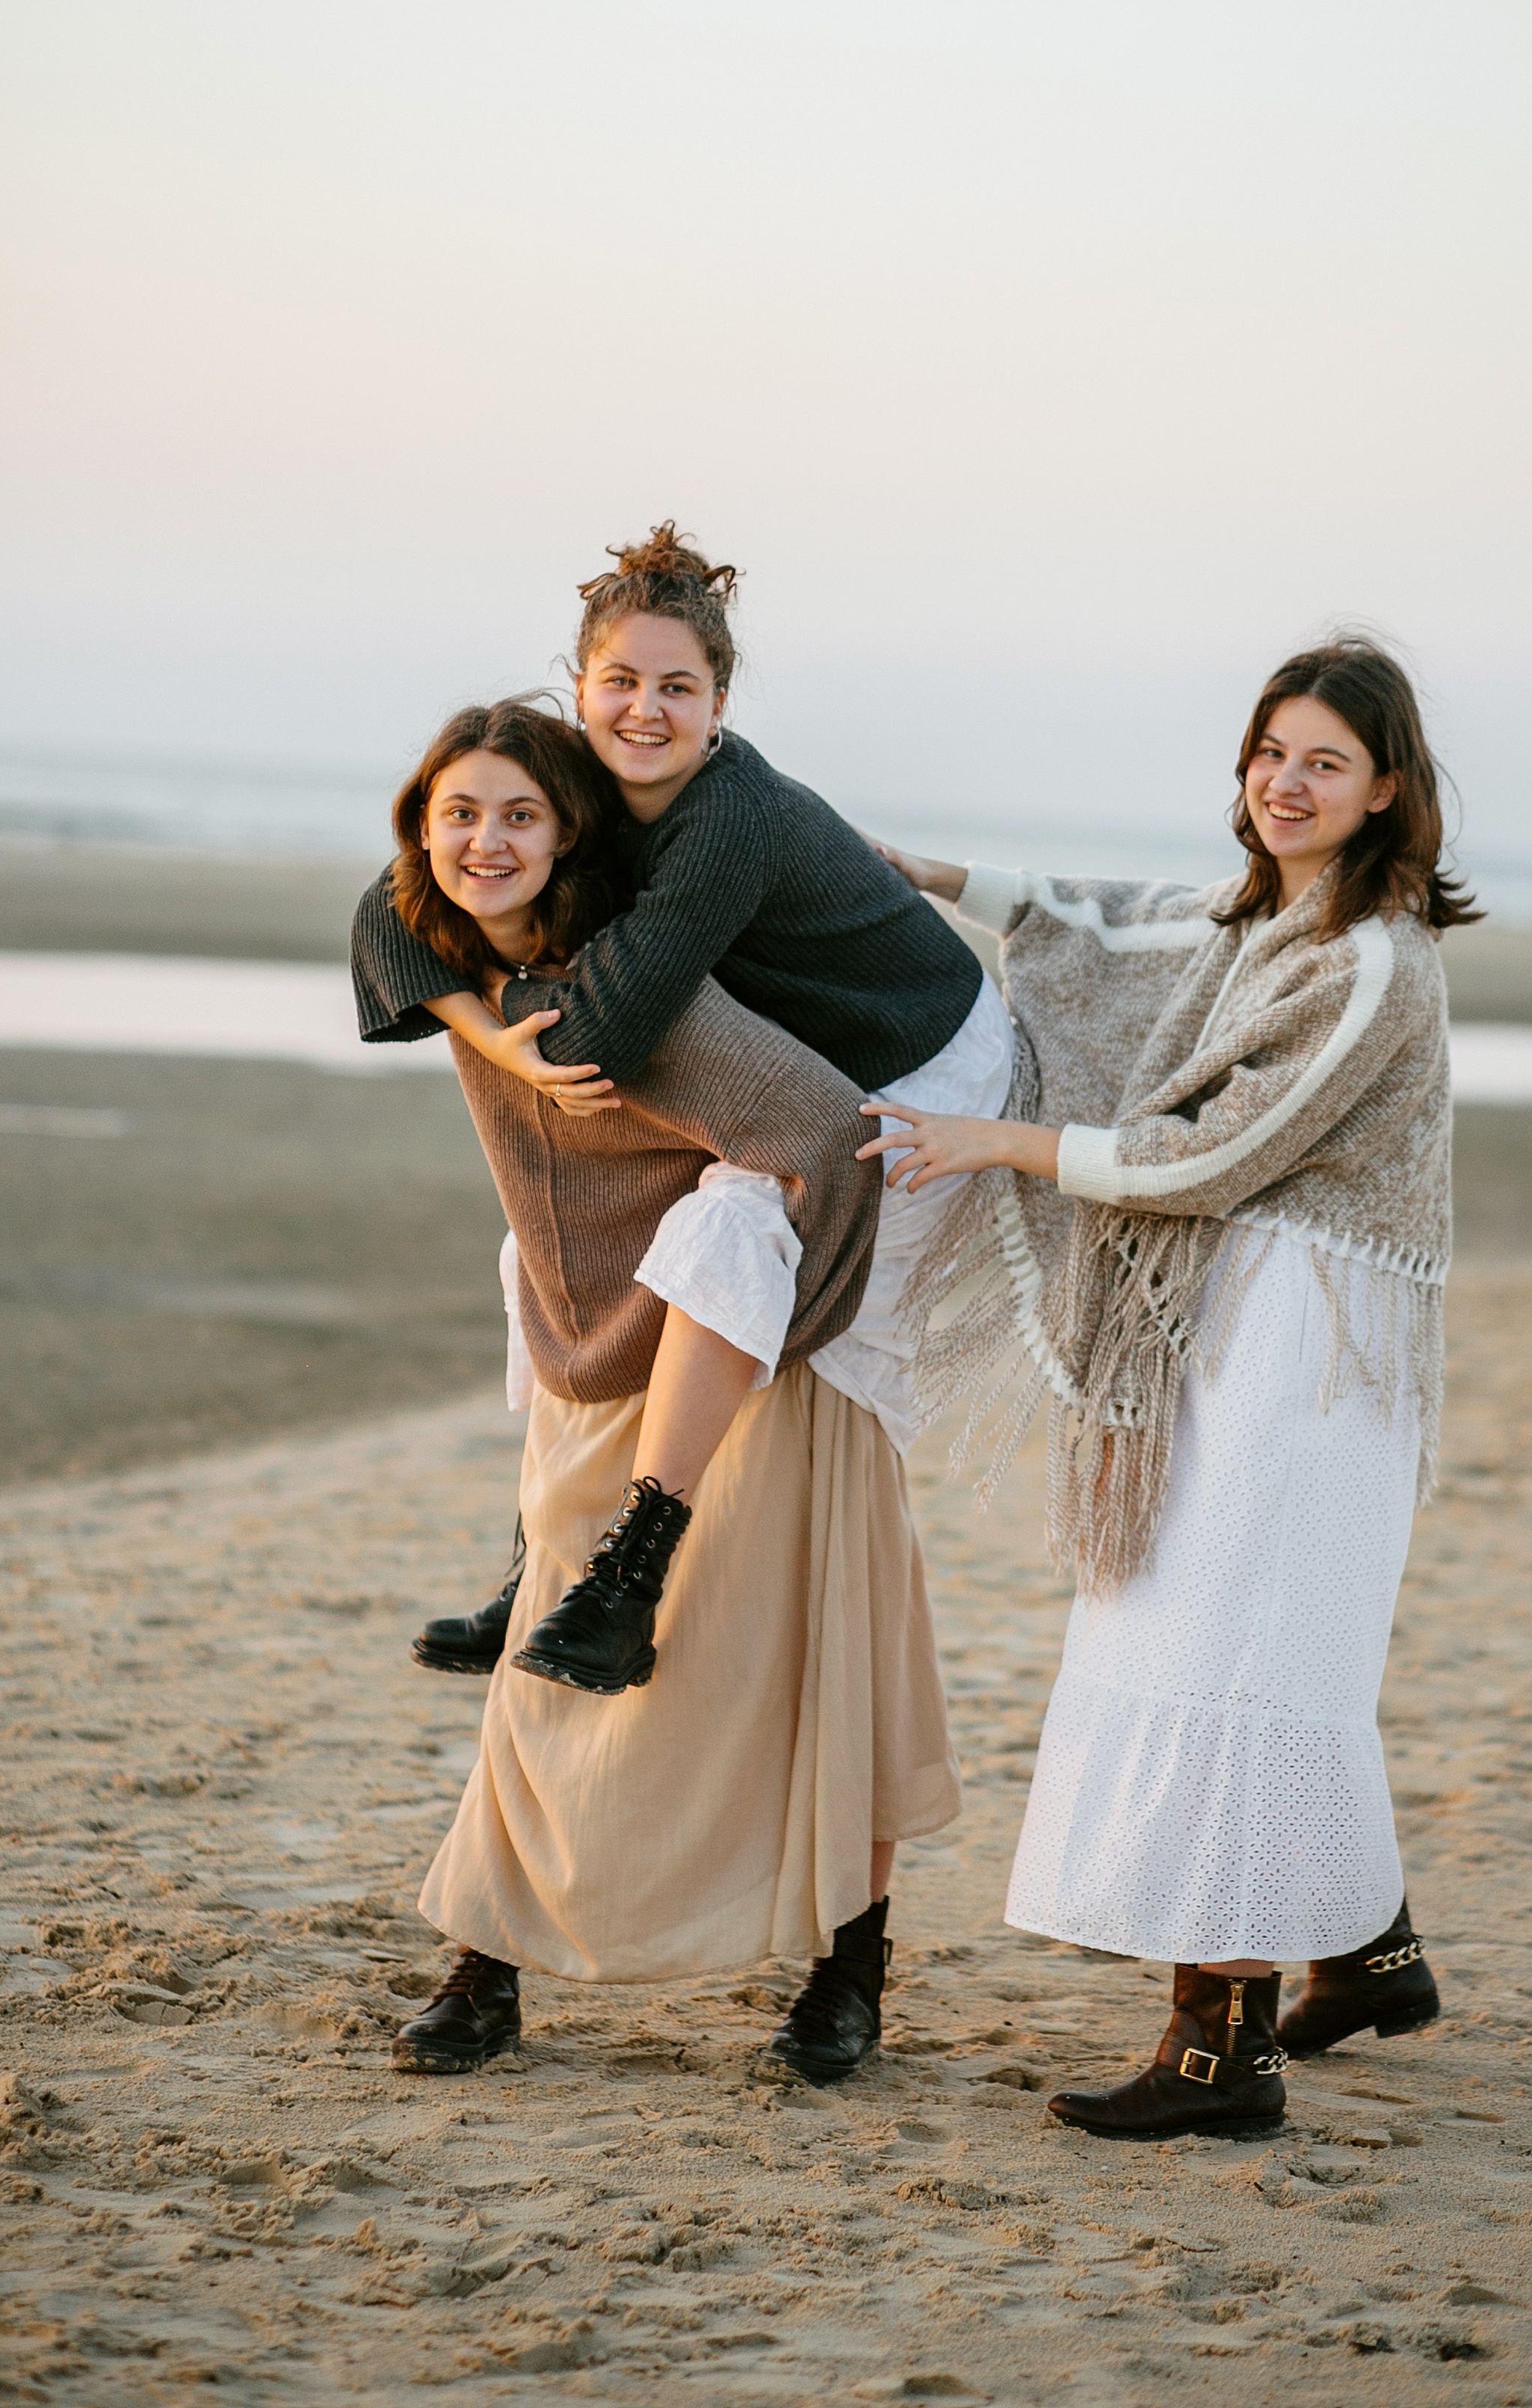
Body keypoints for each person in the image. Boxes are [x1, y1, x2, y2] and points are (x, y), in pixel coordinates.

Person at [859, 638, 1471, 2137]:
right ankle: (1367, 1951)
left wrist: (994, 1145)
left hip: (1308, 1351)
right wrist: (911, 871)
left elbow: (1211, 1154)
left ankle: (1220, 2052)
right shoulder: (1258, 914)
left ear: (1385, 787)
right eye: (1269, 750)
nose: (1283, 780)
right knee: (1254, 1646)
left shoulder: (1368, 960)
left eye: (1322, 760)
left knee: (1238, 1656)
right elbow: (1100, 923)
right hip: (1239, 1324)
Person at [377, 697, 960, 2084]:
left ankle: (850, 1971)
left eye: (521, 814)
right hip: (600, 1340)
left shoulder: (631, 991)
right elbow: (385, 923)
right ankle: (486, 1962)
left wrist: (803, 1325)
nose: (487, 839)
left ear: (572, 833)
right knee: (550, 1669)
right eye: (460, 813)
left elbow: (826, 1130)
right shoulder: (443, 945)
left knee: (820, 1656)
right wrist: (495, 1030)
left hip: (756, 1342)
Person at [355, 527, 1013, 1694]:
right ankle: (545, 1562)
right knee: (562, 1245)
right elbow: (396, 899)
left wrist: (522, 998)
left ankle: (625, 1589)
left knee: (723, 1236)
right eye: (620, 682)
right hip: (797, 1059)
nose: (644, 712)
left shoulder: (726, 817)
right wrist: (481, 1024)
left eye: (678, 688)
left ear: (720, 702)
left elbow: (604, 1031)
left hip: (922, 1077)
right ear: (579, 687)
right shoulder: (578, 777)